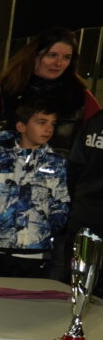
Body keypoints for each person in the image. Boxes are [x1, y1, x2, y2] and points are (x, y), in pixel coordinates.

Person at [0, 27, 100, 171]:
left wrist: (79, 181)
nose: (59, 63)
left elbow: (99, 139)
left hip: (60, 189)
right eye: (52, 55)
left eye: (66, 57)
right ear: (34, 56)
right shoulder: (7, 91)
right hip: (8, 187)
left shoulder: (80, 96)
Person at [0, 100, 69, 278]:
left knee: (31, 303)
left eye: (52, 124)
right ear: (21, 126)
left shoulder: (56, 164)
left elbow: (61, 201)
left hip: (37, 252)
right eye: (41, 122)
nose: (48, 129)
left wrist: (49, 228)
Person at [68, 109, 103, 295]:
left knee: (78, 284)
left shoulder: (94, 121)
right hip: (88, 215)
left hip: (83, 216)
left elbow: (74, 167)